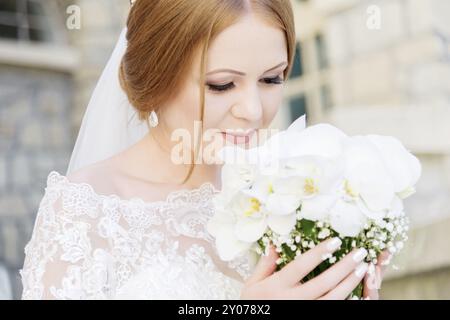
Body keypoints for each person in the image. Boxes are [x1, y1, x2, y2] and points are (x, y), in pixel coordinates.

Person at [20, 0, 387, 299]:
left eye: (272, 79)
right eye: (222, 84)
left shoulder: (291, 195)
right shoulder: (86, 210)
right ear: (156, 77)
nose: (254, 111)